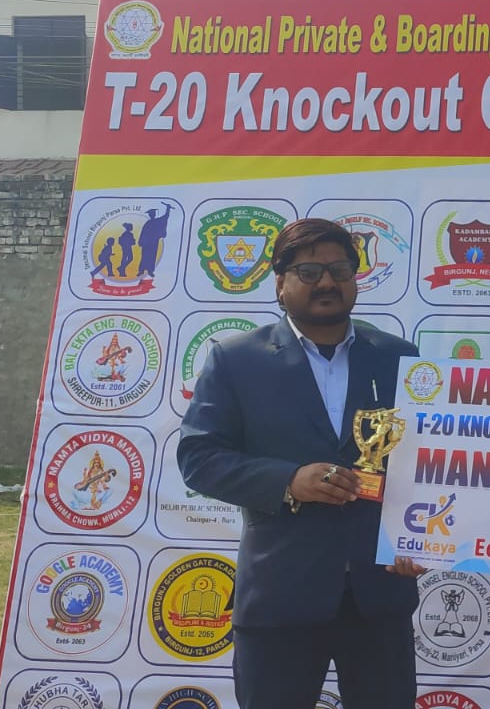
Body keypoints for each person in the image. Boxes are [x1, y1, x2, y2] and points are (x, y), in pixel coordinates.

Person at [178, 217, 427, 709]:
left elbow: (425, 463)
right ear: (280, 282)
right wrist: (289, 480)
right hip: (280, 595)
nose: (328, 282)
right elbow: (199, 457)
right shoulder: (236, 359)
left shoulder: (399, 358)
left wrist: (419, 538)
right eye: (310, 272)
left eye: (340, 270)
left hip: (379, 595)